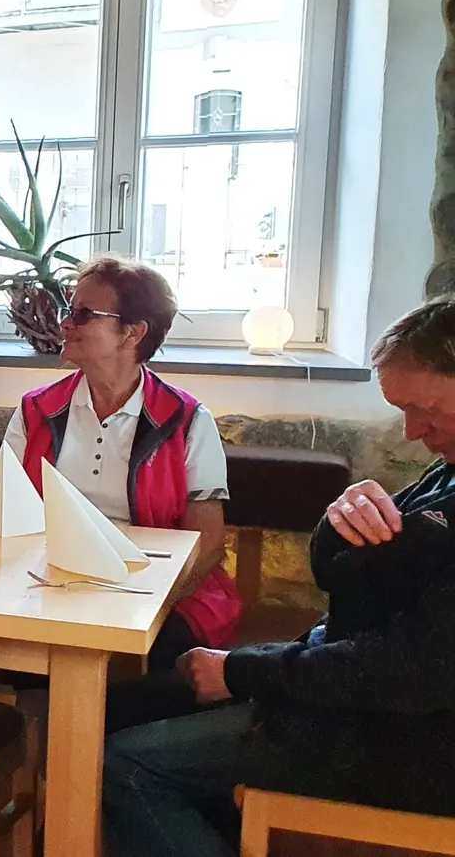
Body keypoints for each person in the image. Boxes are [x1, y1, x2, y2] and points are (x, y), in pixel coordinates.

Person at [99, 297, 455, 856]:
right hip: (364, 701)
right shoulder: (447, 473)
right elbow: (353, 580)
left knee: (126, 765)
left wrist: (241, 671)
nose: (412, 431)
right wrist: (338, 521)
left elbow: (411, 672)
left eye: (425, 408)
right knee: (116, 707)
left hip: (404, 740)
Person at [4, 259, 236, 730]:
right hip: (49, 580)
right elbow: (7, 513)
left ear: (133, 332)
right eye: (69, 310)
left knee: (166, 671)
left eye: (83, 314)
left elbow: (208, 544)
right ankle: (36, 746)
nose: (66, 323)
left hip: (155, 588)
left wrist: (143, 603)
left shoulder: (187, 420)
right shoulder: (35, 410)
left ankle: (95, 756)